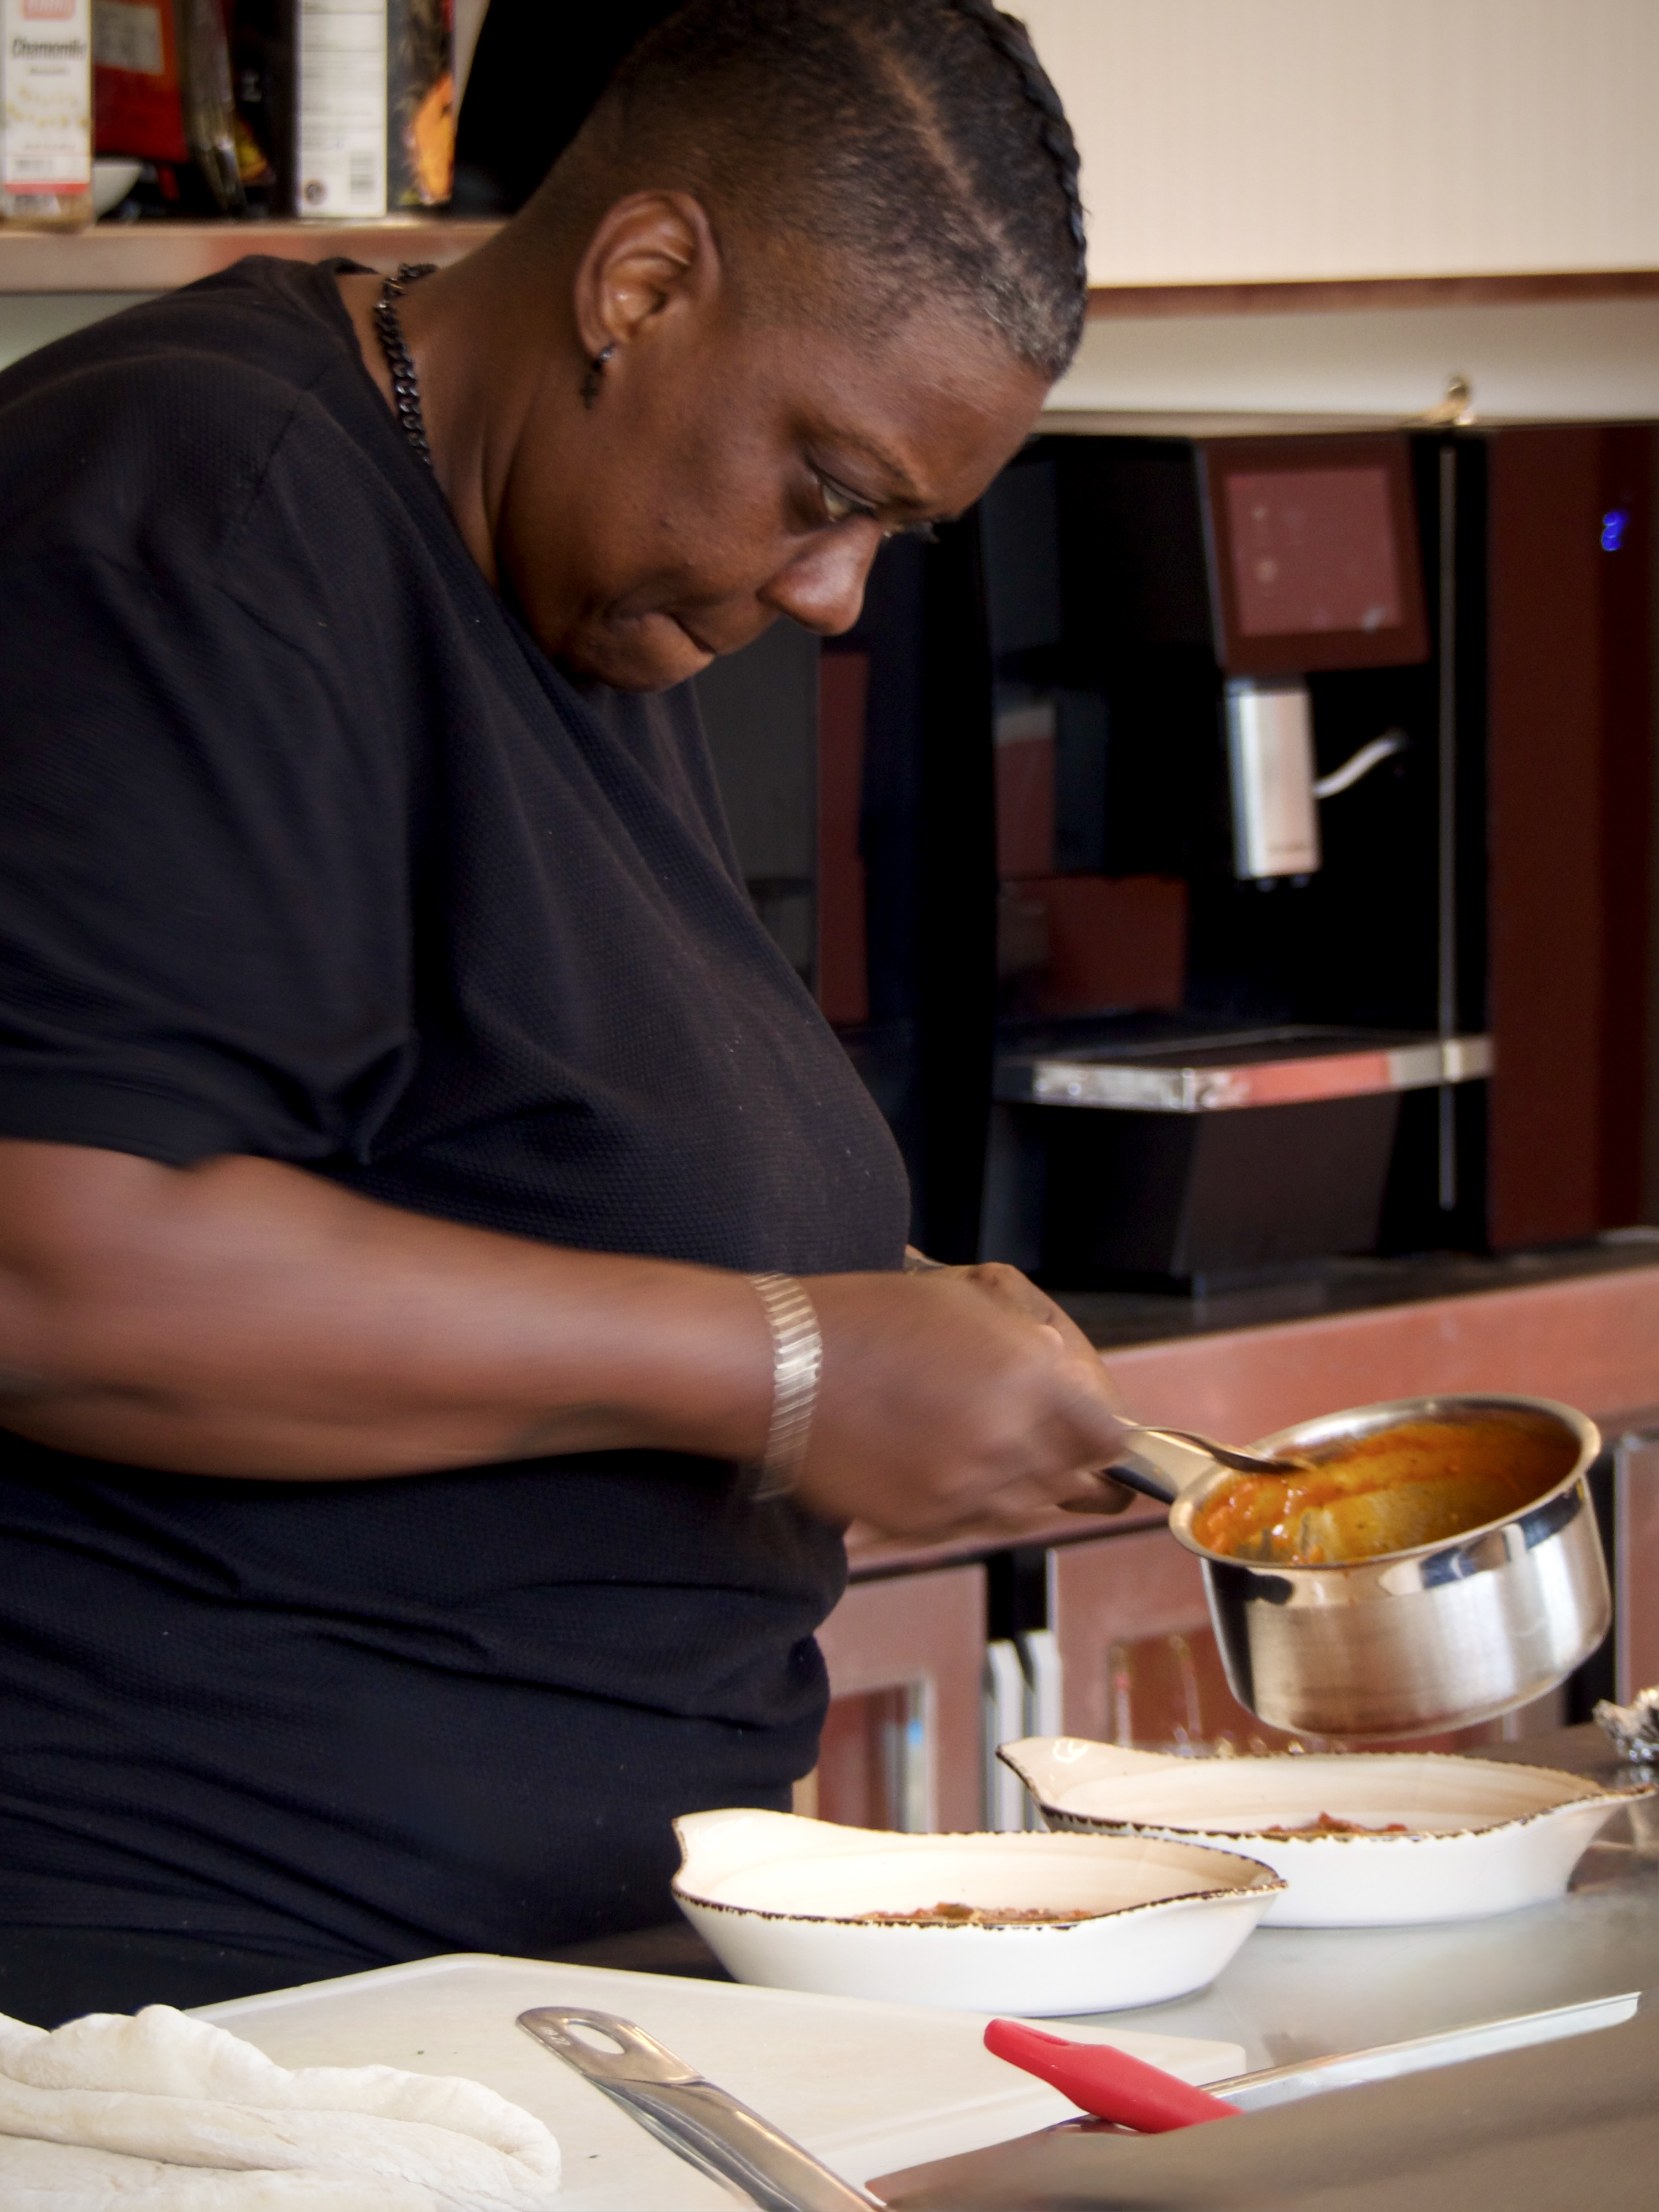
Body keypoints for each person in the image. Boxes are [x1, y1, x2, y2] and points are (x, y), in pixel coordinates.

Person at [0, 0, 1129, 2028]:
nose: (836, 594)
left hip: (534, 1984)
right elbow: (64, 1265)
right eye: (827, 485)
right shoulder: (196, 504)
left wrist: (896, 1327)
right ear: (644, 281)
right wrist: (788, 1364)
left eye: (894, 531)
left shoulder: (577, 579)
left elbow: (514, 1163)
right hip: (213, 2013)